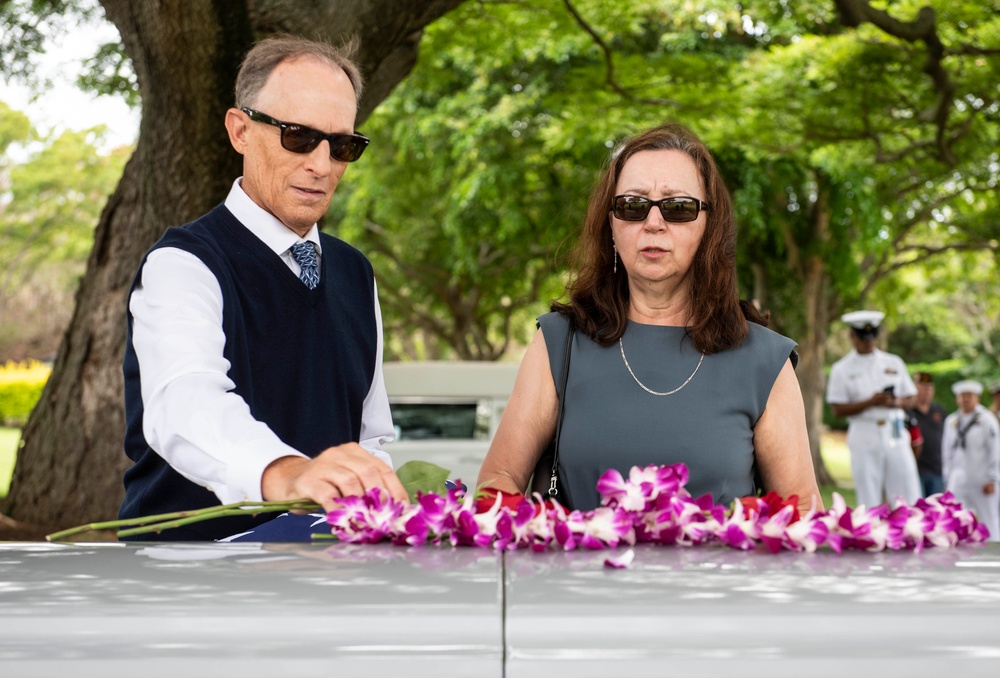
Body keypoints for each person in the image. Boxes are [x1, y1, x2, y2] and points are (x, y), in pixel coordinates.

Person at [119, 36, 407, 541]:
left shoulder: (355, 272)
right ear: (240, 131)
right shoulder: (183, 264)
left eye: (342, 145)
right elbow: (184, 403)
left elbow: (370, 436)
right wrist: (288, 474)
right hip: (189, 579)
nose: (322, 165)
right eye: (298, 136)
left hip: (322, 578)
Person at [476, 123, 822, 515]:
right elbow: (496, 483)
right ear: (611, 225)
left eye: (677, 208)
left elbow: (803, 516)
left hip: (719, 575)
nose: (653, 223)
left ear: (709, 226)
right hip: (575, 574)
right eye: (633, 205)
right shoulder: (559, 343)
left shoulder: (765, 360)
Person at [825, 310, 921, 508]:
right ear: (852, 336)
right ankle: (871, 534)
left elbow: (911, 398)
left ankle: (909, 532)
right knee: (869, 492)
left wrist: (895, 402)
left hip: (894, 429)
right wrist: (870, 402)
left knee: (906, 489)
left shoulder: (893, 362)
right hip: (864, 432)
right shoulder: (842, 369)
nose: (869, 342)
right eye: (863, 338)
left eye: (872, 337)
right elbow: (837, 409)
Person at [942, 380, 999, 541]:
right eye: (962, 396)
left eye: (970, 396)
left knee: (989, 520)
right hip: (958, 479)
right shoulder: (952, 421)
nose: (966, 399)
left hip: (982, 479)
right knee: (955, 518)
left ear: (977, 399)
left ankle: (994, 556)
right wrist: (947, 478)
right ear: (957, 399)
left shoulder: (987, 420)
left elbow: (995, 450)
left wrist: (992, 478)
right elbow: (946, 452)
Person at [907, 371, 948, 496]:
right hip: (916, 470)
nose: (927, 391)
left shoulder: (939, 411)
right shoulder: (908, 412)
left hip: (937, 470)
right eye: (923, 387)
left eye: (930, 387)